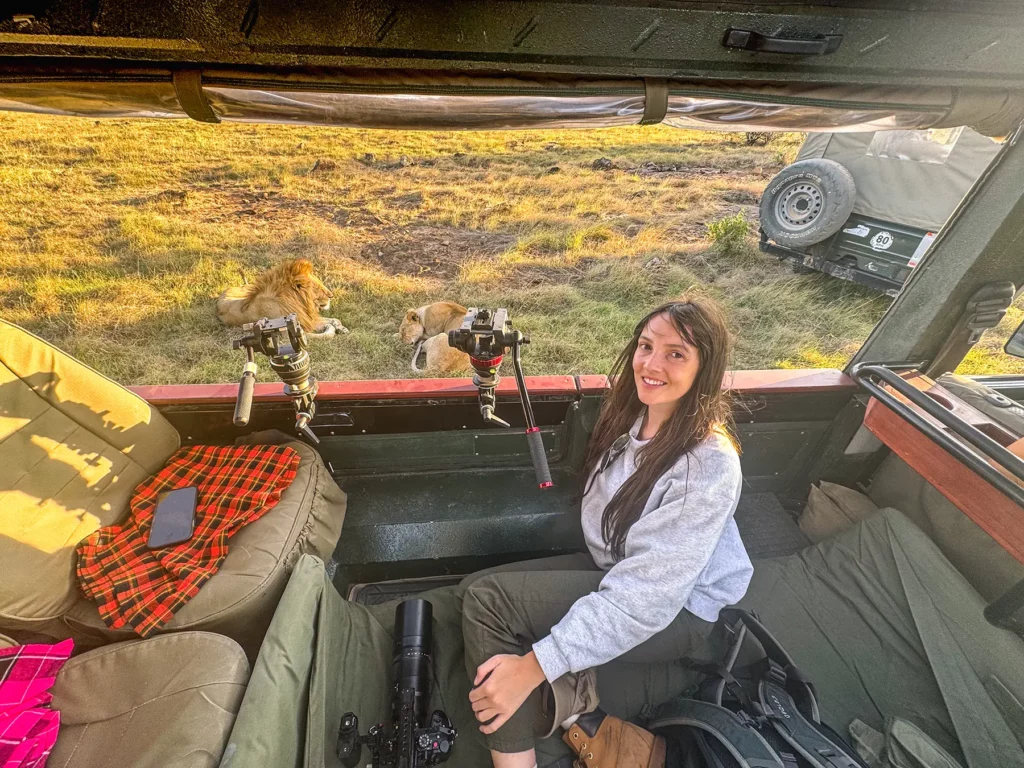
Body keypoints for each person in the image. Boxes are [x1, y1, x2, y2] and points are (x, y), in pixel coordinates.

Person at [460, 296, 754, 768]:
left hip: (677, 611)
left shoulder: (708, 463)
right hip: (618, 569)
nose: (652, 364)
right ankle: (556, 686)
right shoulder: (635, 418)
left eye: (676, 353)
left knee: (488, 602)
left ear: (706, 368)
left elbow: (647, 596)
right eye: (645, 346)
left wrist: (533, 668)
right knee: (472, 590)